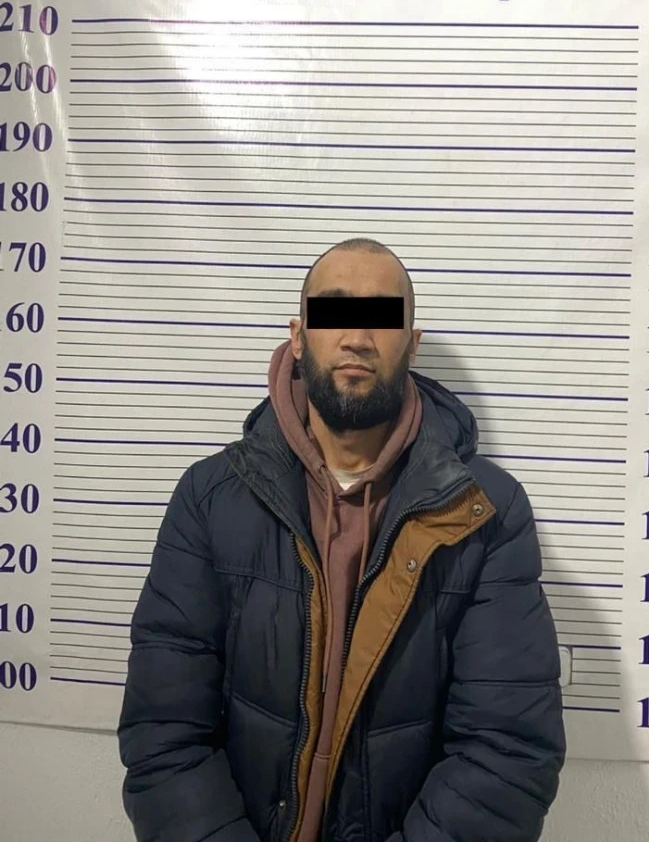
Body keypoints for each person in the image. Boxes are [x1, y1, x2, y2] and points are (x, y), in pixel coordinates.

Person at [117, 236, 566, 842]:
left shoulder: (485, 514)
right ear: (299, 337)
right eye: (333, 312)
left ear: (412, 343)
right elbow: (163, 733)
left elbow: (507, 753)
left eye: (382, 317)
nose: (357, 337)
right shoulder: (209, 498)